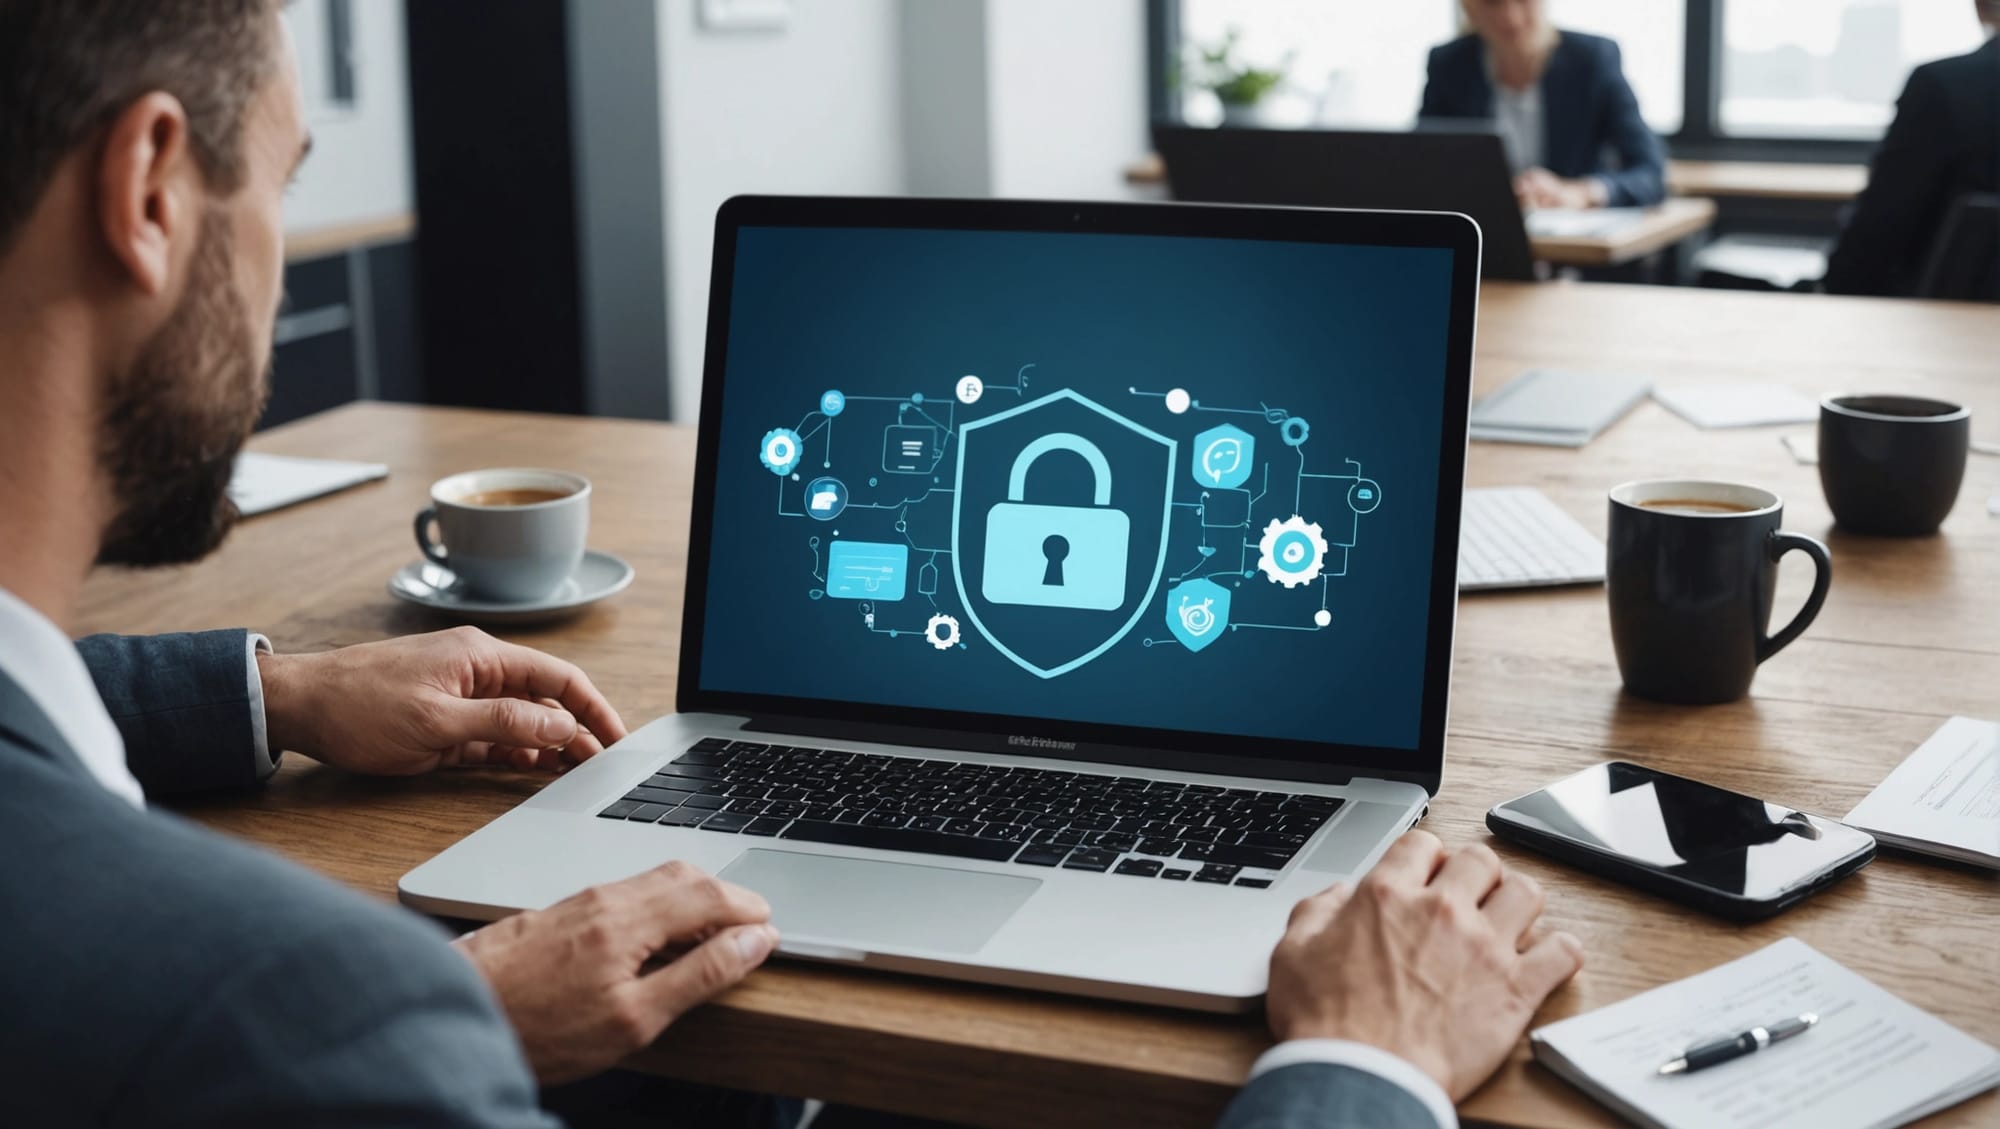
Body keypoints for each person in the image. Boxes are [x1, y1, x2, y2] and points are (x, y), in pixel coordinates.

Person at [0, 2, 1582, 1124]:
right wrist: (1363, 1071)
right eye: (282, 181)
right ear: (150, 192)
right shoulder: (294, 1019)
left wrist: (269, 689)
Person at [1824, 1, 2000, 297]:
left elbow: (1883, 221)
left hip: (1944, 317)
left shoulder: (1944, 84)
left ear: (1982, 8)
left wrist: (1831, 292)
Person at [1421, 0, 1667, 209]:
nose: (1510, 16)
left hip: (1574, 245)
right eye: (1492, 2)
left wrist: (1581, 193)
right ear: (1469, 7)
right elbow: (1423, 163)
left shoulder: (1592, 60)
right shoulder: (1450, 65)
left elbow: (1650, 173)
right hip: (1486, 233)